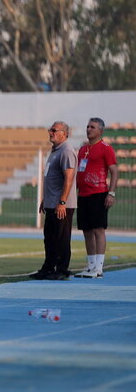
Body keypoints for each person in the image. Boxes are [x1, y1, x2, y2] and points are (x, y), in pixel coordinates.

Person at [30, 121, 77, 281]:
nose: (50, 132)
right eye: (50, 129)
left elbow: (69, 178)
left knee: (61, 238)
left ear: (64, 133)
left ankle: (62, 269)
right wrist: (45, 199)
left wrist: (62, 202)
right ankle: (48, 267)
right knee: (49, 238)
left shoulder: (66, 151)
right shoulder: (55, 151)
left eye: (54, 130)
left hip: (62, 205)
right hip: (51, 203)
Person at [74, 118, 118, 278]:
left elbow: (114, 171)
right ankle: (90, 266)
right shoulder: (83, 149)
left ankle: (99, 267)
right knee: (86, 230)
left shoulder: (106, 148)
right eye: (87, 126)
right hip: (83, 194)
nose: (88, 129)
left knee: (98, 230)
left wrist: (111, 193)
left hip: (98, 193)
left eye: (92, 127)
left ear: (100, 131)